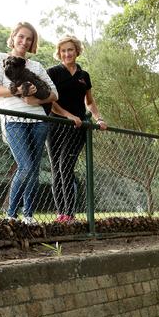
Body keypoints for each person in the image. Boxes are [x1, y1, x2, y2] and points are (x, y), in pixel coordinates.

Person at [0, 22, 58, 225]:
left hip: (38, 121)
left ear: (33, 43)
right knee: (25, 166)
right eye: (21, 37)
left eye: (29, 39)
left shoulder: (36, 67)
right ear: (13, 36)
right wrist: (19, 90)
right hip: (14, 120)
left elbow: (54, 94)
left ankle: (28, 215)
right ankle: (11, 215)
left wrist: (35, 98)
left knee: (34, 170)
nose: (24, 41)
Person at [45, 35, 107, 223]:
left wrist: (99, 118)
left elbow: (90, 102)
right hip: (55, 125)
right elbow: (50, 101)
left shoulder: (83, 76)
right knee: (56, 169)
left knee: (66, 166)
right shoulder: (52, 72)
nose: (67, 53)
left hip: (76, 128)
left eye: (70, 49)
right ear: (59, 53)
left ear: (77, 51)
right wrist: (67, 115)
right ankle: (61, 214)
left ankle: (70, 214)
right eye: (63, 50)